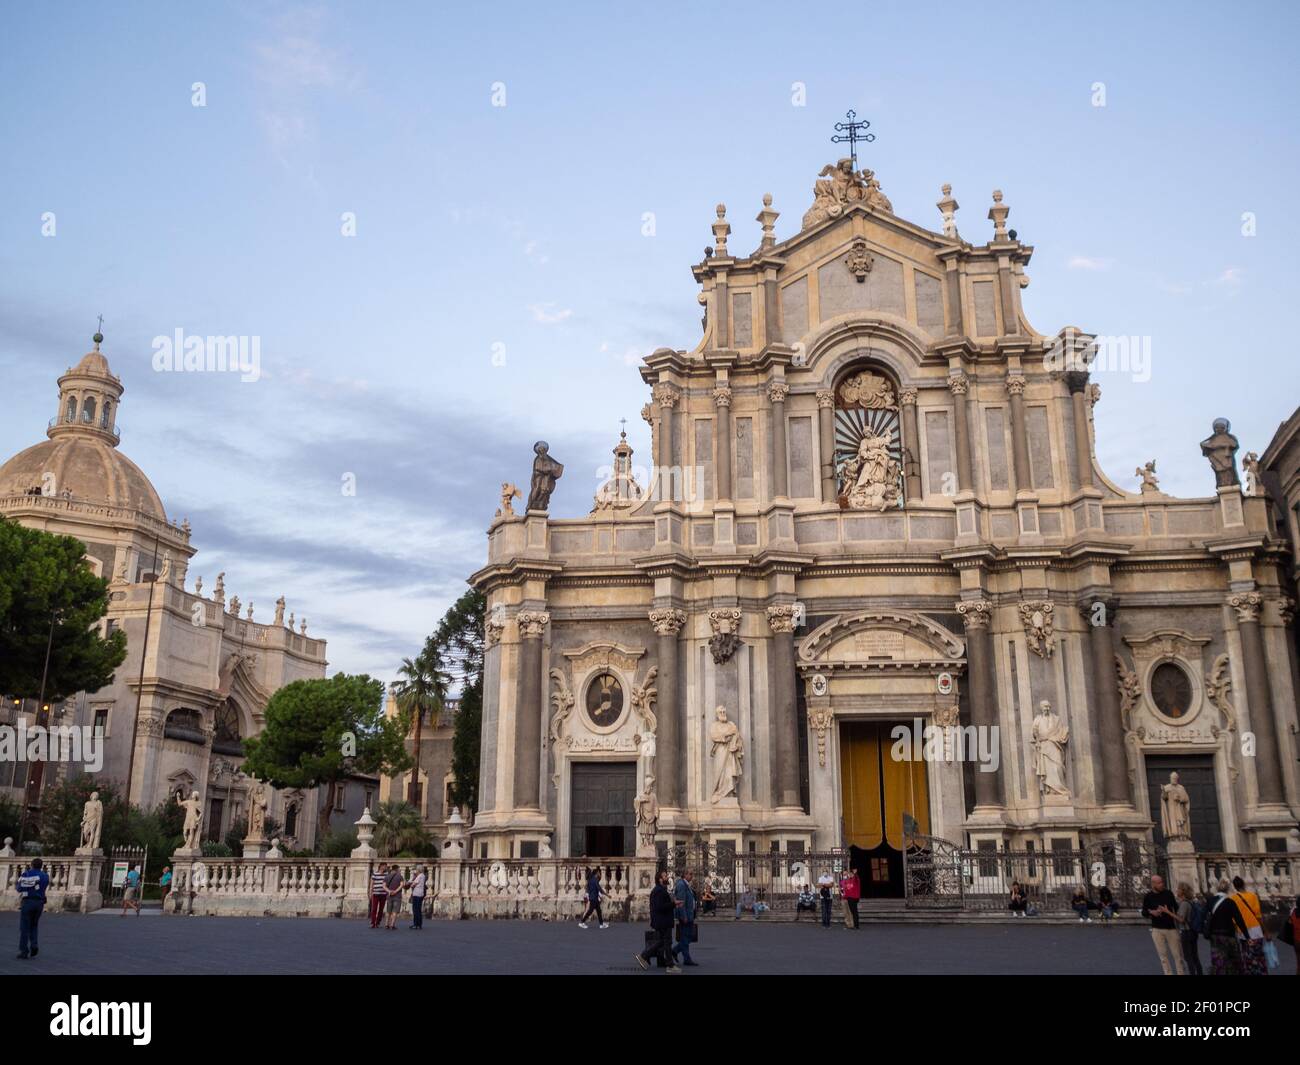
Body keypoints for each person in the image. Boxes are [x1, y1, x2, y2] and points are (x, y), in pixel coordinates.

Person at [634, 870, 680, 973]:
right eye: (665, 876)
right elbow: (660, 907)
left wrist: (673, 903)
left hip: (662, 920)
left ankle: (643, 956)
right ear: (660, 879)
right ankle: (670, 965)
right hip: (663, 921)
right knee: (666, 942)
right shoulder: (659, 891)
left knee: (663, 941)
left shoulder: (660, 890)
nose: (667, 877)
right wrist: (674, 904)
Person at [1141, 874, 1185, 975]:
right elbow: (1144, 912)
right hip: (1157, 929)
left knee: (1178, 955)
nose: (1162, 884)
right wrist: (1151, 912)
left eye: (1162, 882)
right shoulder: (1148, 896)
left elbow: (1176, 908)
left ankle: (1181, 973)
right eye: (1159, 883)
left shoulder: (1168, 893)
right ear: (1153, 884)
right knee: (1163, 956)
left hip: (1171, 928)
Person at [1204, 879, 1249, 975]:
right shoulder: (1230, 902)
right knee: (1233, 961)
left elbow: (1204, 916)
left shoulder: (1210, 901)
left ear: (1217, 888)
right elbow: (1239, 920)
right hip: (1229, 934)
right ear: (1228, 889)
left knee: (1218, 961)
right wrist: (1247, 936)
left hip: (1215, 935)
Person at [1230, 876, 1268, 975]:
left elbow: (1233, 919)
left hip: (1242, 931)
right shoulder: (1252, 896)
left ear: (1234, 886)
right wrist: (1266, 931)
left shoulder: (1232, 899)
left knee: (1247, 957)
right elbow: (1258, 916)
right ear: (1244, 884)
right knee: (1259, 957)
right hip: (1255, 929)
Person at [15, 857, 49, 960]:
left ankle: (24, 950)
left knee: (24, 927)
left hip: (28, 901)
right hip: (39, 903)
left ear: (31, 865)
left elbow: (19, 888)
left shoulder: (26, 874)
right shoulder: (45, 876)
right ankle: (34, 945)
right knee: (34, 925)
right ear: (41, 866)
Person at [671, 870, 699, 967]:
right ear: (685, 874)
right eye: (690, 874)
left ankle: (682, 956)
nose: (692, 876)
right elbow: (681, 902)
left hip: (689, 914)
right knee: (686, 937)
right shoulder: (682, 885)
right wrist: (684, 916)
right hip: (686, 915)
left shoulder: (686, 884)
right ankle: (676, 952)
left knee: (687, 937)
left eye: (692, 874)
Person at [1175, 882, 1204, 976]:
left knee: (1188, 957)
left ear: (1182, 891)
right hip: (1193, 931)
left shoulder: (1184, 904)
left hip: (1186, 932)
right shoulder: (1191, 901)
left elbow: (1181, 919)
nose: (1177, 890)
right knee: (1195, 956)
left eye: (1178, 889)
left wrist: (1168, 912)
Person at [383, 864, 405, 930]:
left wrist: (389, 891)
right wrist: (395, 891)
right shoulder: (400, 876)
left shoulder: (387, 876)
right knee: (395, 911)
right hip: (397, 895)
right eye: (399, 869)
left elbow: (384, 886)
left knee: (388, 911)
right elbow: (401, 885)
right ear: (397, 869)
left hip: (389, 895)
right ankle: (392, 925)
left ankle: (386, 924)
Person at [369, 862, 389, 928]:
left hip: (383, 894)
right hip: (376, 893)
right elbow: (372, 884)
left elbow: (388, 883)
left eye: (386, 866)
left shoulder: (387, 874)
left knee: (381, 909)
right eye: (384, 866)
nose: (385, 867)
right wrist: (370, 892)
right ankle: (373, 922)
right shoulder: (375, 874)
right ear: (380, 866)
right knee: (374, 908)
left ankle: (378, 922)